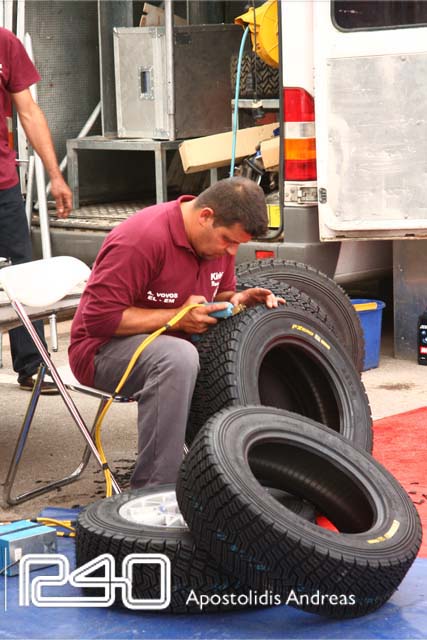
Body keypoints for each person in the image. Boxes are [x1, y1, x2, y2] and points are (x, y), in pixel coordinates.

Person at [69, 177, 283, 489]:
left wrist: (236, 300)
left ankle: (239, 475)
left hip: (173, 343)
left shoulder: (217, 244)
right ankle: (155, 491)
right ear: (205, 216)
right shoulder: (140, 239)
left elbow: (218, 294)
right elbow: (99, 320)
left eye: (238, 244)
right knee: (177, 357)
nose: (231, 251)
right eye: (228, 240)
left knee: (243, 346)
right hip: (101, 350)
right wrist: (177, 319)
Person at [0, 27, 72, 393]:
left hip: (2, 183)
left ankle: (33, 364)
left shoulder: (4, 42)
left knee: (21, 273)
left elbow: (28, 111)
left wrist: (55, 175)